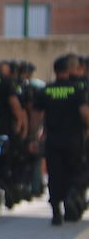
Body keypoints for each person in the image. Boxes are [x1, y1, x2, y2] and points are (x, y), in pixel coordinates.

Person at [32, 56, 89, 225]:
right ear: (68, 71)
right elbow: (85, 113)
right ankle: (71, 197)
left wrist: (33, 136)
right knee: (74, 171)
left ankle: (56, 212)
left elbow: (36, 116)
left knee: (55, 175)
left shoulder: (46, 90)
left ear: (55, 71)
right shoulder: (77, 89)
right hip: (74, 139)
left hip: (53, 140)